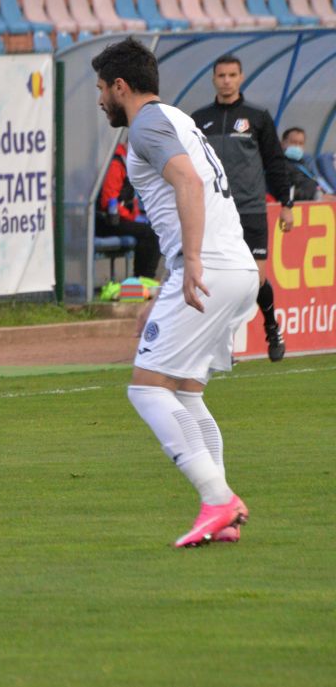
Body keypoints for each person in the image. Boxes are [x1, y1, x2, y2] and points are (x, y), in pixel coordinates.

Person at [93, 38, 258, 548]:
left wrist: (189, 264)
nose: (100, 100)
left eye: (101, 89)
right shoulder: (179, 118)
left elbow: (186, 181)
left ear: (121, 87)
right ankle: (223, 512)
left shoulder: (145, 125)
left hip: (208, 268)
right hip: (235, 268)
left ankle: (217, 499)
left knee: (145, 388)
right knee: (186, 392)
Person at [190, 56, 294, 362]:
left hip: (249, 208)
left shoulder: (257, 117)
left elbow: (275, 162)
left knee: (255, 281)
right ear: (213, 79)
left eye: (232, 75)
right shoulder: (198, 119)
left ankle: (272, 327)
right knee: (216, 279)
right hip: (213, 211)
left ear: (241, 77)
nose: (226, 80)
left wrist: (286, 204)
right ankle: (224, 343)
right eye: (221, 75)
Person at [96, 142, 161, 280]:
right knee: (149, 234)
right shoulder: (116, 163)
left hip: (119, 218)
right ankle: (143, 279)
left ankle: (143, 279)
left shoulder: (127, 164)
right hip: (106, 221)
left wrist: (135, 216)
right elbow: (109, 201)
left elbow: (131, 199)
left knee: (153, 232)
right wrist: (130, 217)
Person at [280, 127, 334, 201]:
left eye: (301, 143)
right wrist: (316, 196)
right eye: (293, 142)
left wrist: (328, 194)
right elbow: (286, 192)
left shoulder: (305, 163)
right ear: (283, 143)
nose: (297, 146)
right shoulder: (278, 164)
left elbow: (317, 180)